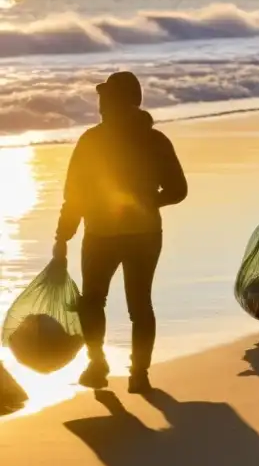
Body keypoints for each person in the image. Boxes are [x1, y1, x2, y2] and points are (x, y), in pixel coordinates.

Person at [53, 71, 188, 393]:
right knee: (140, 304)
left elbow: (75, 193)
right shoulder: (155, 140)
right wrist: (145, 202)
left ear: (114, 102)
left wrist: (63, 234)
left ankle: (97, 364)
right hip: (145, 233)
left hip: (101, 234)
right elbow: (178, 190)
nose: (99, 104)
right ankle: (139, 374)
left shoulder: (92, 140)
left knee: (92, 301)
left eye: (104, 98)